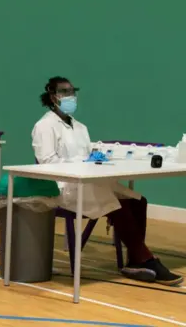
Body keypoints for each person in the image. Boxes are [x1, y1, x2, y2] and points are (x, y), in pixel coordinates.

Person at [32, 76, 183, 286]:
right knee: (117, 204)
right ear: (52, 96)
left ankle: (134, 261)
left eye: (72, 92)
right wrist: (82, 161)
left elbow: (88, 155)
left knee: (137, 200)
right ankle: (146, 258)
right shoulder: (44, 126)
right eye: (65, 92)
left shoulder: (81, 128)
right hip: (63, 187)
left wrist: (97, 158)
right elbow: (46, 162)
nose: (71, 97)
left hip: (88, 181)